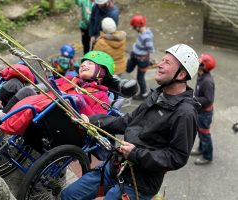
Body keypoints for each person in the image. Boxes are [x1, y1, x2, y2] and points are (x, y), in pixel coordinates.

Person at [61, 44, 200, 200]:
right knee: (68, 195)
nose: (159, 65)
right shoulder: (158, 95)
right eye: (162, 60)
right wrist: (92, 120)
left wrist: (136, 154)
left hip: (138, 184)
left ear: (181, 75)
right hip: (116, 166)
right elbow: (127, 121)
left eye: (167, 63)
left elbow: (177, 156)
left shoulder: (185, 113)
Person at [0, 51, 115, 143]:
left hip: (62, 122)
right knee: (15, 82)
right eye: (83, 63)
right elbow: (49, 86)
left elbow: (95, 119)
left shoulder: (100, 96)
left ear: (101, 72)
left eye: (89, 64)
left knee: (27, 93)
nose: (83, 65)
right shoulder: (71, 80)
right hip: (45, 107)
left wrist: (78, 101)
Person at [191, 53, 216, 165]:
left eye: (199, 63)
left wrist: (194, 100)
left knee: (205, 134)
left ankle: (207, 156)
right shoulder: (200, 75)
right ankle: (201, 149)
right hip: (200, 111)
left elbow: (208, 99)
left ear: (203, 66)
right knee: (200, 132)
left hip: (205, 113)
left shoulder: (207, 81)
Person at [126, 15, 155, 100]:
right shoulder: (142, 32)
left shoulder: (147, 37)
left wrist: (143, 53)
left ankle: (144, 94)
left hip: (142, 60)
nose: (134, 29)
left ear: (139, 26)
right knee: (128, 69)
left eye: (134, 27)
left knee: (140, 77)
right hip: (134, 55)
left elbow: (151, 49)